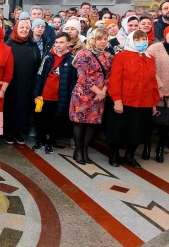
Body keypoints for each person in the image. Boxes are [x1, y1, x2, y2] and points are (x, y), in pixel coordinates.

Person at [106, 30, 160, 168]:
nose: (141, 42)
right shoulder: (121, 56)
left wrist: (153, 103)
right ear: (130, 41)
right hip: (125, 101)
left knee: (138, 131)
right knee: (118, 130)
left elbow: (153, 81)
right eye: (137, 39)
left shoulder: (150, 58)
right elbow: (115, 79)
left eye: (143, 39)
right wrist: (117, 100)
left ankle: (130, 155)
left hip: (144, 102)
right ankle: (114, 154)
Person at [69, 27, 113, 164]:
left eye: (105, 39)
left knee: (92, 124)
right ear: (93, 39)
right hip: (83, 94)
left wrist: (104, 91)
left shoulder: (108, 56)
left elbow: (109, 76)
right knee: (80, 122)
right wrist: (98, 91)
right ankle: (78, 150)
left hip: (99, 95)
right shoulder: (84, 54)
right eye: (99, 39)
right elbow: (83, 77)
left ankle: (85, 150)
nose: (102, 42)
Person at [32, 32, 77, 154]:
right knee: (41, 120)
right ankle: (40, 140)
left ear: (68, 43)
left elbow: (73, 81)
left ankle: (50, 143)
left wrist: (68, 97)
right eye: (56, 42)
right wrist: (36, 94)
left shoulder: (72, 60)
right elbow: (39, 76)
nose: (58, 45)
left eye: (61, 42)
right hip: (44, 96)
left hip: (59, 98)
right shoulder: (47, 58)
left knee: (54, 122)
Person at [2, 19, 40, 144]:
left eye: (26, 28)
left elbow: (37, 64)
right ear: (16, 29)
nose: (24, 30)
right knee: (10, 107)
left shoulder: (32, 45)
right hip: (11, 83)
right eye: (21, 27)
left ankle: (18, 132)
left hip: (27, 83)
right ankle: (8, 132)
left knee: (23, 108)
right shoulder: (8, 45)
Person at [147, 26, 169, 163]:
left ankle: (160, 148)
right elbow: (150, 69)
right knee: (150, 122)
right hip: (154, 91)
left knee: (166, 124)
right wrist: (159, 88)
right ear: (165, 35)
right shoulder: (154, 48)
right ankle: (147, 147)